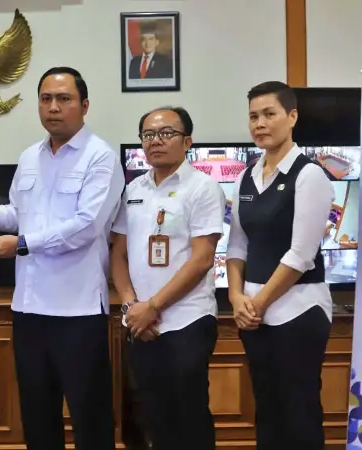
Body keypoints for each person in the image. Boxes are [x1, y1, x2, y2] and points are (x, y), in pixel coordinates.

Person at [0, 67, 124, 450]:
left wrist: (22, 244)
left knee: (90, 417)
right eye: (46, 99)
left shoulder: (101, 157)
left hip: (78, 311)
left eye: (64, 99)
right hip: (28, 309)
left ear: (84, 105)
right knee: (38, 417)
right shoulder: (29, 157)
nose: (53, 107)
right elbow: (20, 215)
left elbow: (87, 226)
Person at [226, 81, 334, 450]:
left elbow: (301, 255)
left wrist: (257, 303)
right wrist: (236, 297)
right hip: (253, 315)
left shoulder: (310, 174)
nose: (260, 123)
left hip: (298, 311)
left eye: (269, 114)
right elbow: (237, 244)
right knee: (268, 412)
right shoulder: (245, 176)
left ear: (292, 116)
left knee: (298, 414)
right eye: (253, 116)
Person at [111, 106, 225, 450]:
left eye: (166, 133)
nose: (155, 141)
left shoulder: (203, 187)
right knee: (152, 417)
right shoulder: (133, 189)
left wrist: (154, 307)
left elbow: (202, 259)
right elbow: (118, 254)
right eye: (148, 135)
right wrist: (131, 306)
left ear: (187, 141)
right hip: (141, 324)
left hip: (188, 321)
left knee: (188, 417)